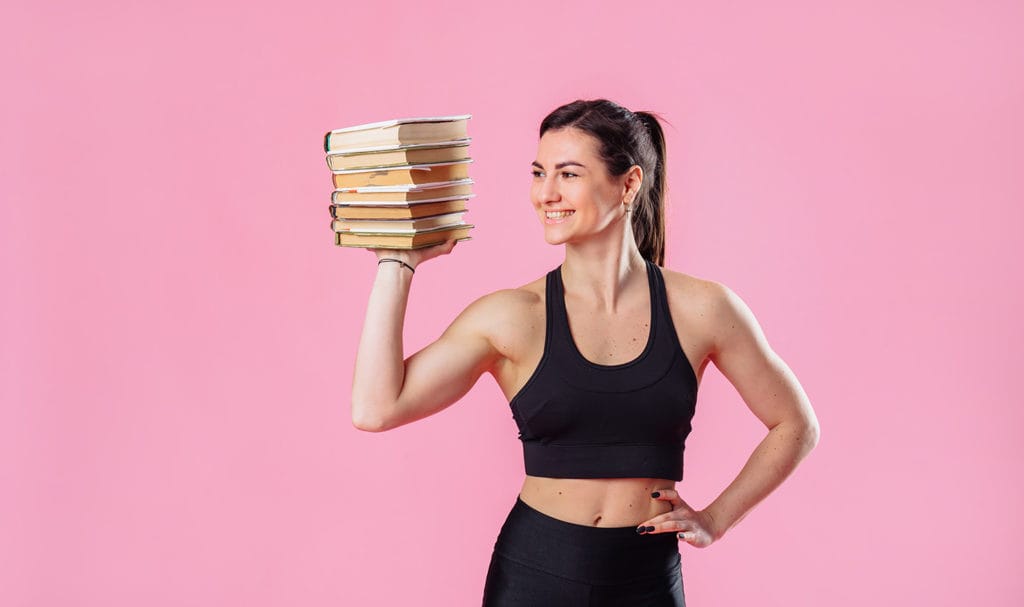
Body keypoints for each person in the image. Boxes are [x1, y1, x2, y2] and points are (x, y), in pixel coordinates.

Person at [350, 98, 820, 606]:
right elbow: (377, 409)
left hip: (647, 581)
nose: (545, 193)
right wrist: (396, 265)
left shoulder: (703, 308)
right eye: (538, 173)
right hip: (534, 572)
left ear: (629, 183)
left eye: (568, 174)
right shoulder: (511, 316)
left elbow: (796, 425)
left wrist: (716, 520)